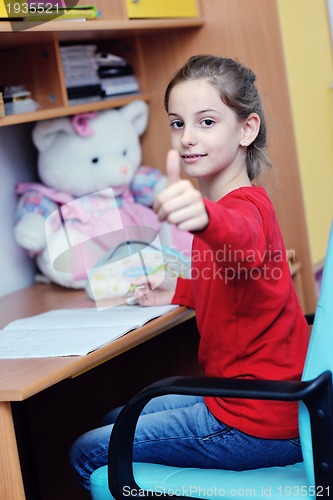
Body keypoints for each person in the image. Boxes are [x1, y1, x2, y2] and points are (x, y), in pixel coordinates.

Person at [69, 54, 309, 493]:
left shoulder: (242, 211)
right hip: (266, 403)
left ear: (246, 129)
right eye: (178, 124)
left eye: (207, 122)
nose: (188, 138)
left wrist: (203, 216)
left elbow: (242, 241)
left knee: (88, 449)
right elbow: (240, 285)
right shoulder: (237, 206)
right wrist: (178, 289)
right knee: (112, 419)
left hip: (253, 421)